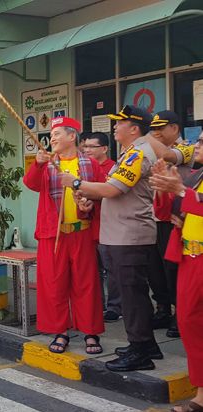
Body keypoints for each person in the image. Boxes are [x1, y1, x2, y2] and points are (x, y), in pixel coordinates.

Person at [60, 105, 161, 371]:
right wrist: (89, 195)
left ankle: (140, 352)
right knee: (133, 293)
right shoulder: (129, 153)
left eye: (120, 123)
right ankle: (146, 344)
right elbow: (108, 190)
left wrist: (78, 184)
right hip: (122, 235)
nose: (114, 127)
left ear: (135, 128)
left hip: (129, 235)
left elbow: (113, 189)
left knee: (132, 296)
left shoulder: (137, 154)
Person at [23, 116, 105, 355]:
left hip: (82, 232)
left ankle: (91, 332)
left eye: (57, 133)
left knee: (86, 284)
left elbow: (103, 192)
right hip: (53, 234)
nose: (52, 138)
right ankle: (61, 332)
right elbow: (31, 184)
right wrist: (37, 165)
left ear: (72, 136)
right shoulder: (47, 164)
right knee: (54, 284)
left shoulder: (90, 164)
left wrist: (91, 204)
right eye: (51, 134)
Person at [149, 136, 203, 412]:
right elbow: (165, 212)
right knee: (190, 325)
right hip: (190, 258)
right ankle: (201, 395)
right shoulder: (195, 177)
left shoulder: (189, 183)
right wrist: (163, 188)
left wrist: (179, 190)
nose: (197, 145)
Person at [82, 132, 118, 319]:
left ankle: (114, 307)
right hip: (88, 226)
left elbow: (108, 192)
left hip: (107, 226)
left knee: (111, 268)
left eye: (91, 147)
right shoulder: (84, 168)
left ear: (104, 148)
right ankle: (97, 305)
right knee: (93, 270)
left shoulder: (113, 168)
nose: (87, 150)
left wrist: (85, 190)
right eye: (85, 146)